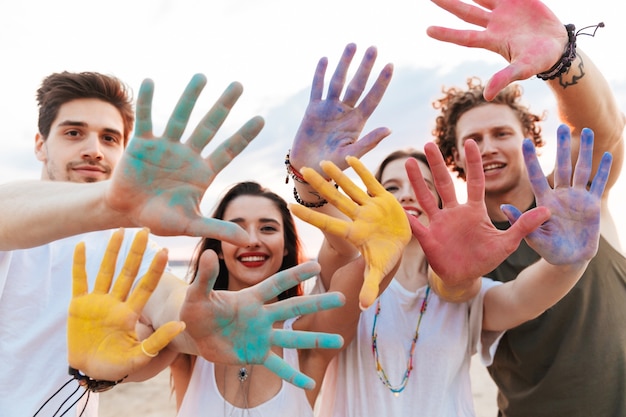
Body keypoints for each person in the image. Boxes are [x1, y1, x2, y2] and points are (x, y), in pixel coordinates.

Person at [0, 71, 344, 417]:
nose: (93, 150)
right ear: (40, 145)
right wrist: (113, 203)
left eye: (109, 138)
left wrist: (206, 325)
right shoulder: (15, 225)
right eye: (74, 133)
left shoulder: (126, 247)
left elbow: (169, 302)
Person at [427, 0, 626, 416]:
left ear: (528, 140)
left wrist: (561, 61)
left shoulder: (576, 198)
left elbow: (603, 127)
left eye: (501, 132)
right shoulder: (459, 247)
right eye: (472, 140)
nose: (488, 147)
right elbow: (454, 290)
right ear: (454, 158)